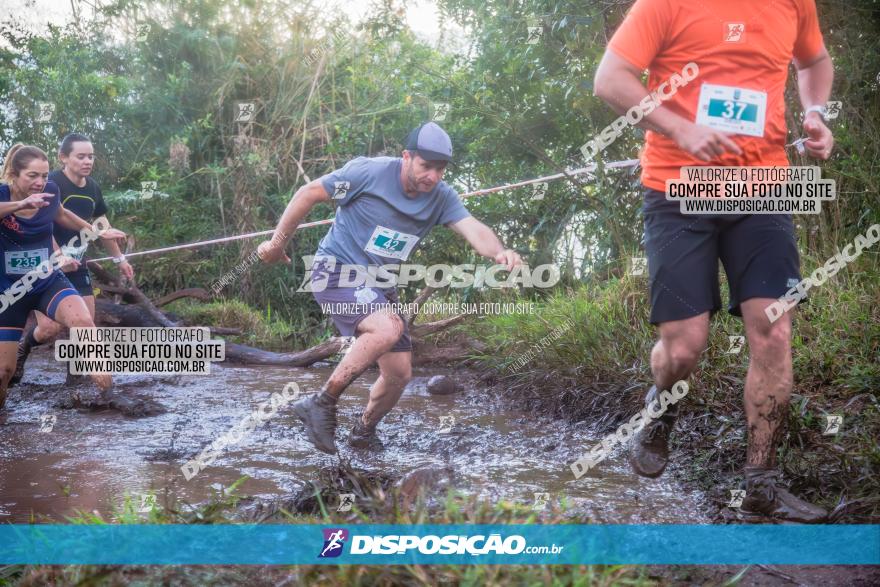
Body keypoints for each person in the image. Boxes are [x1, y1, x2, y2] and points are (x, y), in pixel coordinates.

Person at [593, 0, 834, 522]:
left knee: (775, 331)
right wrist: (681, 129)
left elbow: (813, 61)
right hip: (677, 189)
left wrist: (815, 113)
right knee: (685, 346)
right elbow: (611, 79)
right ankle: (661, 409)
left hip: (763, 188)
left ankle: (761, 486)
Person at [258, 122, 522, 454]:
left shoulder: (441, 198)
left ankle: (363, 432)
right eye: (426, 166)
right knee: (388, 327)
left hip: (379, 286)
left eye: (440, 169)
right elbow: (309, 193)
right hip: (335, 270)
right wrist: (276, 243)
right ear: (406, 157)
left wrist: (499, 252)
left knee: (399, 374)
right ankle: (321, 402)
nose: (433, 176)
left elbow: (472, 228)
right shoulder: (367, 173)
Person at [0, 144, 126, 410]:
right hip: (10, 289)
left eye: (44, 175)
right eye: (32, 176)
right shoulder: (2, 194)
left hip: (46, 280)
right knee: (4, 372)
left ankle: (109, 392)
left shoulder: (50, 191)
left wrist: (96, 232)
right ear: (14, 174)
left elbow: (61, 213)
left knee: (82, 319)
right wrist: (21, 204)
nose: (40, 182)